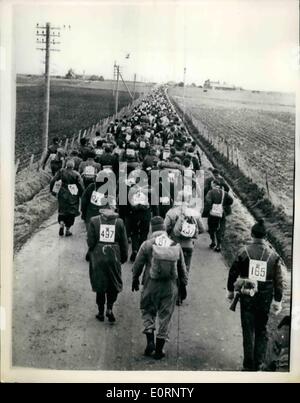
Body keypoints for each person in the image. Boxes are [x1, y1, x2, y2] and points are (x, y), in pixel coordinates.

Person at [226, 219, 285, 371]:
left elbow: (233, 272)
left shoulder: (243, 251)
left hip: (247, 296)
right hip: (265, 298)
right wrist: (277, 301)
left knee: (248, 330)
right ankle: (258, 363)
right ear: (266, 237)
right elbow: (279, 281)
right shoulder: (274, 256)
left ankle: (247, 365)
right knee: (261, 329)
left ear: (251, 234)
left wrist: (231, 291)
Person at [132, 216, 188, 359]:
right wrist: (184, 286)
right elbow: (182, 268)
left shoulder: (147, 244)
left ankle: (150, 340)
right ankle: (159, 349)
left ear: (152, 229)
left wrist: (135, 279)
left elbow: (138, 264)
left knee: (148, 311)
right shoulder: (175, 244)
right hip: (170, 286)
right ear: (164, 229)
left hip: (151, 284)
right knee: (165, 316)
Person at [87, 197, 128, 322]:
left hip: (99, 255)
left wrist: (91, 252)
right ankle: (109, 308)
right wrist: (124, 256)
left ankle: (100, 311)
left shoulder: (94, 221)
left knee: (100, 283)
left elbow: (91, 241)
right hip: (113, 255)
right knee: (113, 282)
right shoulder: (119, 222)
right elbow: (124, 242)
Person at [165, 190, 205, 278]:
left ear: (177, 199)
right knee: (186, 268)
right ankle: (183, 284)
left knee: (173, 267)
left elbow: (165, 227)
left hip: (174, 243)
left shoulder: (171, 212)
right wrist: (191, 233)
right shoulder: (194, 213)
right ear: (188, 199)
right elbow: (202, 229)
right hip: (188, 245)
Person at [50, 159, 84, 236]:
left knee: (62, 209)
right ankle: (67, 229)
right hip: (73, 194)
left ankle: (61, 223)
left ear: (66, 165)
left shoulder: (61, 172)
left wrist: (52, 190)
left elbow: (53, 180)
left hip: (62, 193)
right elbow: (80, 185)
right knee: (71, 212)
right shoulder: (76, 174)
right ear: (73, 166)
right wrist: (82, 194)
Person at [203, 179, 233, 252]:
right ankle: (219, 245)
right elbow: (231, 201)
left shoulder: (210, 192)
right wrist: (223, 206)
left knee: (211, 228)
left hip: (212, 213)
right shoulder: (224, 193)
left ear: (214, 184)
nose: (211, 185)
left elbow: (208, 202)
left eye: (211, 183)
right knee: (220, 229)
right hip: (221, 213)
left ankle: (213, 242)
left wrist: (206, 212)